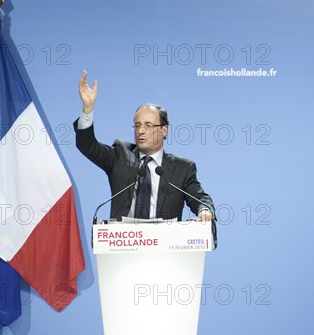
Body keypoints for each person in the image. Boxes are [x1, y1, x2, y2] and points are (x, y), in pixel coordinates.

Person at [73, 70, 214, 222]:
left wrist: (205, 211)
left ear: (164, 130)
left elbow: (200, 198)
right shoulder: (119, 154)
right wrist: (88, 109)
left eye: (148, 125)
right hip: (124, 242)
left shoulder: (182, 168)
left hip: (164, 242)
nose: (141, 131)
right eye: (137, 125)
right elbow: (87, 145)